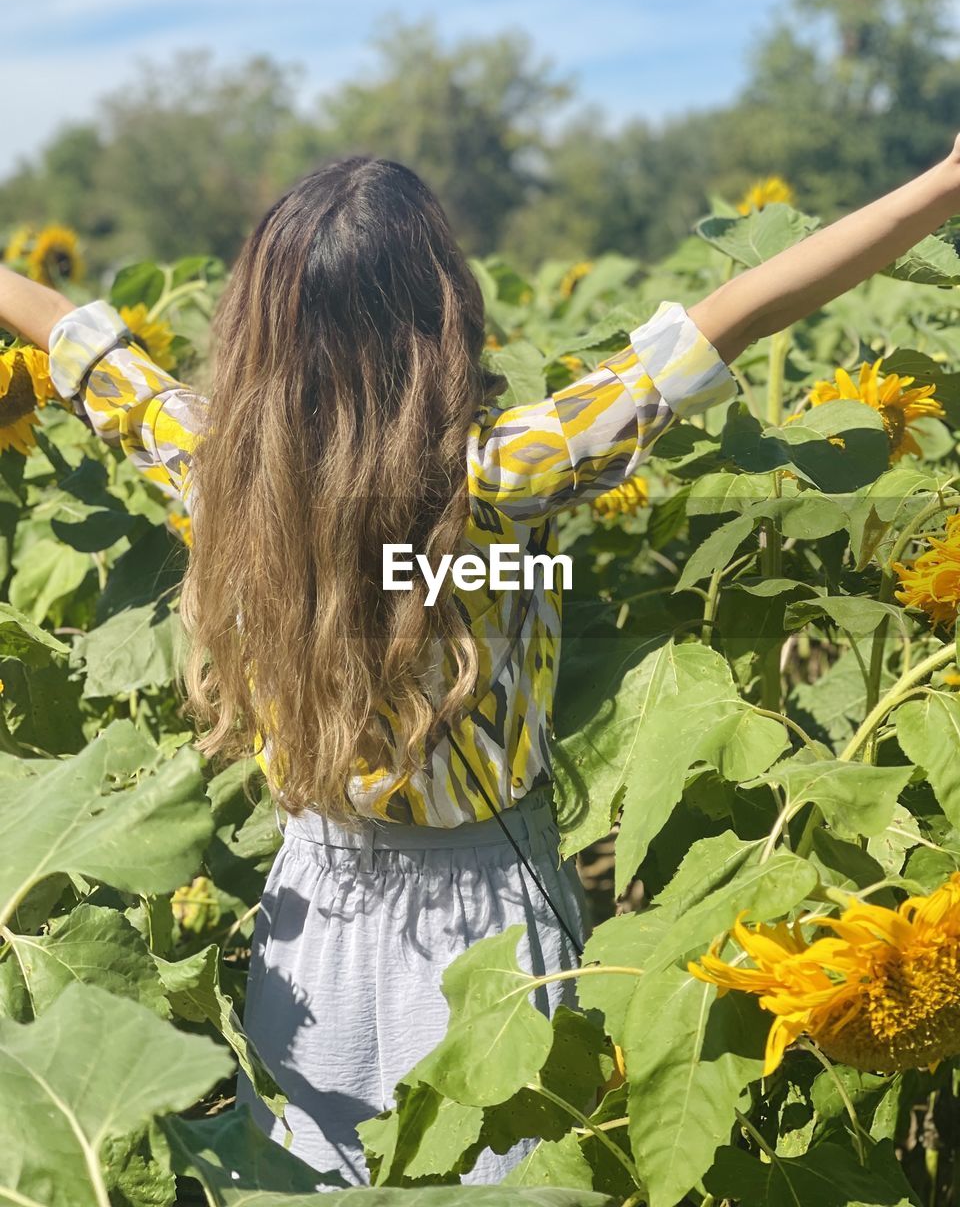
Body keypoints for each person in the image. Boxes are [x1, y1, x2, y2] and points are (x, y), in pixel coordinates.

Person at [1, 145, 959, 1185]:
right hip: (488, 921)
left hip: (309, 912)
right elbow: (732, 316)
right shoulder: (504, 476)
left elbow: (77, 337)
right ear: (443, 312)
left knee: (306, 1185)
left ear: (258, 327)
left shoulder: (218, 466)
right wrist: (943, 186)